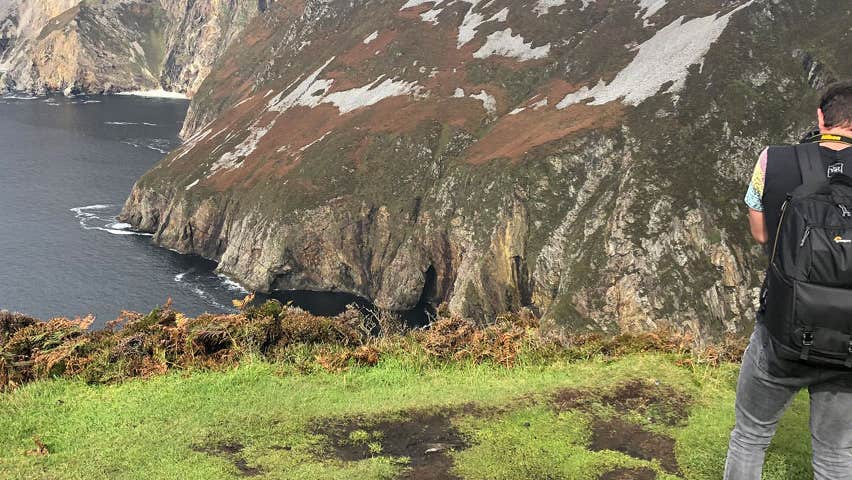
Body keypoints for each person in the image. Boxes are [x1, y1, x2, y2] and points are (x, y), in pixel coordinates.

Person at [724, 80, 852, 479]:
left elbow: (762, 234)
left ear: (820, 117)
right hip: (848, 342)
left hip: (782, 330)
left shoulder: (773, 160)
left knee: (750, 435)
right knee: (835, 455)